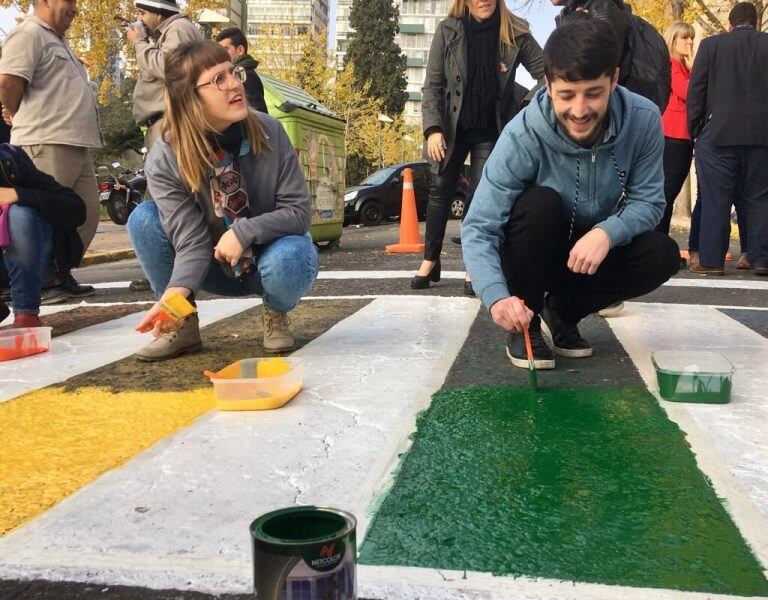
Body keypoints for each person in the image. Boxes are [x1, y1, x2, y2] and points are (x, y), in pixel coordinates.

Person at [462, 19, 679, 370]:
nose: (579, 111)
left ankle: (563, 311)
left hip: (587, 252)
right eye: (566, 95)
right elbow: (480, 227)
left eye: (594, 93)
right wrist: (497, 298)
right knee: (540, 203)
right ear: (548, 85)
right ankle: (527, 322)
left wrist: (607, 232)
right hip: (532, 248)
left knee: (663, 253)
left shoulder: (643, 119)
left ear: (614, 79)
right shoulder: (523, 134)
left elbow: (650, 201)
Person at [127, 40, 318, 361]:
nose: (234, 84)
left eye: (233, 72)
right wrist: (173, 298)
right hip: (210, 265)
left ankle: (275, 311)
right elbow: (188, 240)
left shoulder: (269, 131)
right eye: (218, 79)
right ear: (189, 97)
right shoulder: (166, 155)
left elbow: (298, 214)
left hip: (268, 262)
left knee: (293, 253)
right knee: (143, 218)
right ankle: (183, 324)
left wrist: (244, 232)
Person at [413, 0, 544, 296]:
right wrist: (432, 129)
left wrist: (526, 106)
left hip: (492, 130)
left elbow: (548, 73)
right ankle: (430, 260)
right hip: (451, 127)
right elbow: (432, 84)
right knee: (440, 190)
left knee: (480, 197)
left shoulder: (516, 31)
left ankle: (474, 266)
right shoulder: (449, 30)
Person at [0, 0, 101, 300]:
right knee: (43, 213)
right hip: (45, 140)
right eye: (69, 1)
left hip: (75, 142)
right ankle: (42, 280)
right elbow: (7, 83)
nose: (75, 9)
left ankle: (57, 273)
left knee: (85, 213)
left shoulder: (56, 39)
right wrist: (16, 114)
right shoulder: (29, 33)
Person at [687, 2, 768, 276]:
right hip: (762, 136)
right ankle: (761, 258)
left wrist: (696, 130)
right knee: (760, 197)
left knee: (715, 198)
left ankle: (711, 260)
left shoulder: (711, 46)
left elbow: (696, 90)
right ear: (756, 23)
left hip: (718, 133)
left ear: (730, 25)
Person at [0, 144, 85, 328]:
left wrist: (18, 195)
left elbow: (76, 208)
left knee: (19, 215)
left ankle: (26, 314)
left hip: (36, 262)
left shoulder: (10, 162)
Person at [127, 0, 201, 152]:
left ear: (159, 14)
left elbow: (170, 67)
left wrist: (139, 43)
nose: (139, 20)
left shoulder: (178, 28)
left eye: (143, 13)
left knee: (166, 175)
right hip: (166, 123)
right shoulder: (175, 30)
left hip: (169, 123)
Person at [658, 21, 694, 236]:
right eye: (685, 37)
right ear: (673, 40)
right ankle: (656, 241)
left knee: (668, 192)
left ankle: (658, 240)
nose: (690, 41)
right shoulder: (672, 64)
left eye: (691, 37)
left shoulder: (682, 67)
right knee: (666, 192)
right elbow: (688, 92)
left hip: (681, 135)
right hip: (673, 135)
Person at [215, 27, 269, 114]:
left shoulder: (244, 75)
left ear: (240, 50)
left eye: (225, 50)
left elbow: (257, 113)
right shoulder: (240, 73)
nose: (221, 55)